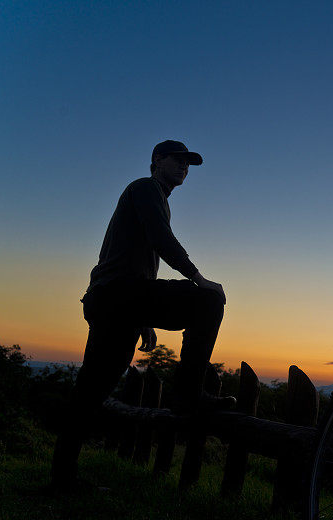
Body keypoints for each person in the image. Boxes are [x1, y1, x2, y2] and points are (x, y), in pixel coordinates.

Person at [50, 140, 235, 490]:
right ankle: (188, 395)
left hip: (115, 298)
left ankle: (63, 476)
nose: (184, 167)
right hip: (119, 295)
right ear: (156, 161)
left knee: (92, 388)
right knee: (208, 301)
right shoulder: (144, 188)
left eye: (188, 164)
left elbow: (136, 261)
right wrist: (198, 277)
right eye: (177, 160)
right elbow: (160, 239)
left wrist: (145, 319)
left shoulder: (156, 198)